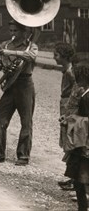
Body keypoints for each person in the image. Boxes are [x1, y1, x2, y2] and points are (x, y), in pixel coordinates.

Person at [0, 20, 38, 165]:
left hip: (25, 84)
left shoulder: (31, 45)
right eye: (11, 31)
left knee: (26, 122)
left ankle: (23, 156)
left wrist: (10, 52)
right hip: (10, 85)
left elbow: (30, 57)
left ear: (24, 32)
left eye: (16, 31)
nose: (13, 34)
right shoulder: (5, 44)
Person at [60, 61, 89, 211]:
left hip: (84, 143)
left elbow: (85, 120)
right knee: (79, 179)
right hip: (82, 141)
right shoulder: (84, 93)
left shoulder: (87, 96)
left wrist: (71, 120)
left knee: (81, 178)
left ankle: (83, 208)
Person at [54, 42, 77, 190]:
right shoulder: (66, 70)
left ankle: (76, 179)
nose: (54, 58)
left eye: (56, 55)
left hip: (69, 106)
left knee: (71, 142)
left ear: (64, 56)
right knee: (67, 142)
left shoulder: (70, 72)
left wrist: (69, 112)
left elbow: (76, 91)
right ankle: (72, 177)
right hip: (65, 105)